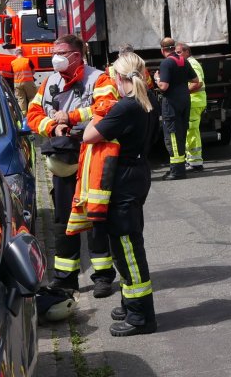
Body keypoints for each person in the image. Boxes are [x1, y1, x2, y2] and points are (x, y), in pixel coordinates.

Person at [26, 34, 118, 297]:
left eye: (62, 52)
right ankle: (66, 278)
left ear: (77, 56)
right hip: (64, 159)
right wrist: (54, 126)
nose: (56, 56)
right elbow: (33, 114)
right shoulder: (49, 81)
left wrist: (73, 116)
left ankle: (103, 275)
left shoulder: (98, 78)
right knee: (63, 221)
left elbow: (106, 108)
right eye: (55, 51)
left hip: (92, 158)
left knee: (96, 217)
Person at [83, 51, 161, 336]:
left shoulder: (124, 107)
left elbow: (88, 136)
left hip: (124, 181)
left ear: (117, 77)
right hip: (137, 172)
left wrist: (99, 109)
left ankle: (142, 317)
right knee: (124, 246)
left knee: (127, 249)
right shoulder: (149, 101)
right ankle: (131, 304)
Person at [156, 37, 198, 180]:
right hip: (185, 102)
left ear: (163, 50)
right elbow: (195, 80)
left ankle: (177, 171)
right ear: (173, 48)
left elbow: (164, 86)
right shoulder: (183, 61)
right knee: (181, 135)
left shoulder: (166, 63)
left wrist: (157, 79)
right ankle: (178, 169)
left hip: (172, 104)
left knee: (172, 137)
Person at [176, 42, 207, 171]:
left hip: (194, 102)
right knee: (190, 131)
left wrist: (182, 92)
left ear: (187, 52)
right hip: (195, 101)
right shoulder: (190, 62)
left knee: (192, 131)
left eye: (179, 52)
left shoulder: (192, 63)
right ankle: (192, 160)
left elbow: (198, 83)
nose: (176, 55)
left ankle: (195, 162)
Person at [10, 46, 37, 115]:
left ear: (16, 54)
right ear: (22, 53)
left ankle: (23, 116)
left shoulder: (13, 63)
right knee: (32, 98)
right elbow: (33, 72)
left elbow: (12, 73)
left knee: (21, 100)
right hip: (28, 82)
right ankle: (31, 114)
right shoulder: (27, 60)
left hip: (17, 83)